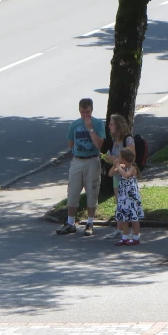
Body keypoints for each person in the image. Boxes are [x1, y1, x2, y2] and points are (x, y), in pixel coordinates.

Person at [56, 98, 105, 236]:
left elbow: (99, 144)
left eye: (88, 112)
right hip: (78, 160)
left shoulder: (98, 124)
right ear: (79, 111)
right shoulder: (74, 125)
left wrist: (90, 129)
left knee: (92, 191)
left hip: (92, 160)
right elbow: (71, 144)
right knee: (73, 191)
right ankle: (70, 222)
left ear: (92, 110)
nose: (85, 115)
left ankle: (90, 222)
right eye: (83, 112)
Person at [102, 114, 135, 240]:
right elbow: (116, 159)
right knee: (119, 203)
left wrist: (114, 159)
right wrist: (108, 158)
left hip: (126, 177)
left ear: (118, 125)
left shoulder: (128, 139)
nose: (109, 126)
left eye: (111, 124)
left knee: (128, 203)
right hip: (117, 176)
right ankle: (119, 229)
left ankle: (131, 230)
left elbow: (131, 157)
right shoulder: (114, 140)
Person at [109, 148, 144, 246]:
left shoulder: (132, 168)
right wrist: (114, 166)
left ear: (124, 159)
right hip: (123, 197)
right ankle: (124, 237)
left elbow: (125, 175)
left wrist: (118, 167)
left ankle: (136, 237)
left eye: (119, 157)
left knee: (134, 218)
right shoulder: (122, 167)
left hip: (131, 197)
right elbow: (110, 173)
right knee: (124, 218)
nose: (118, 158)